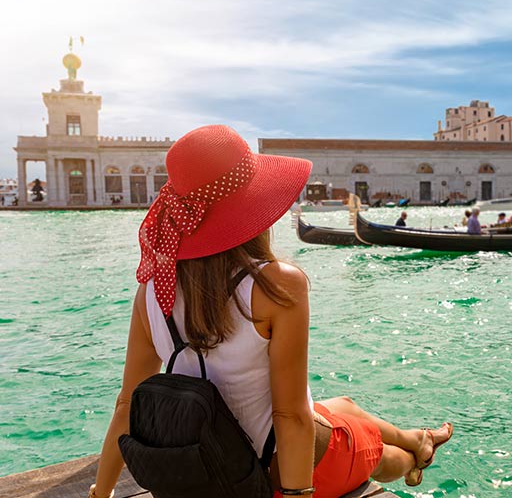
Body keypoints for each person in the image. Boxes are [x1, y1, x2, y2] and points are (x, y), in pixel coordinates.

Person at [89, 126, 452, 498]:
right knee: (373, 448)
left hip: (209, 463)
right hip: (271, 476)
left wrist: (101, 492)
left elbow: (126, 404)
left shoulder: (150, 290)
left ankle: (416, 436)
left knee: (344, 405)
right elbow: (291, 418)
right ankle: (415, 457)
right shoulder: (276, 286)